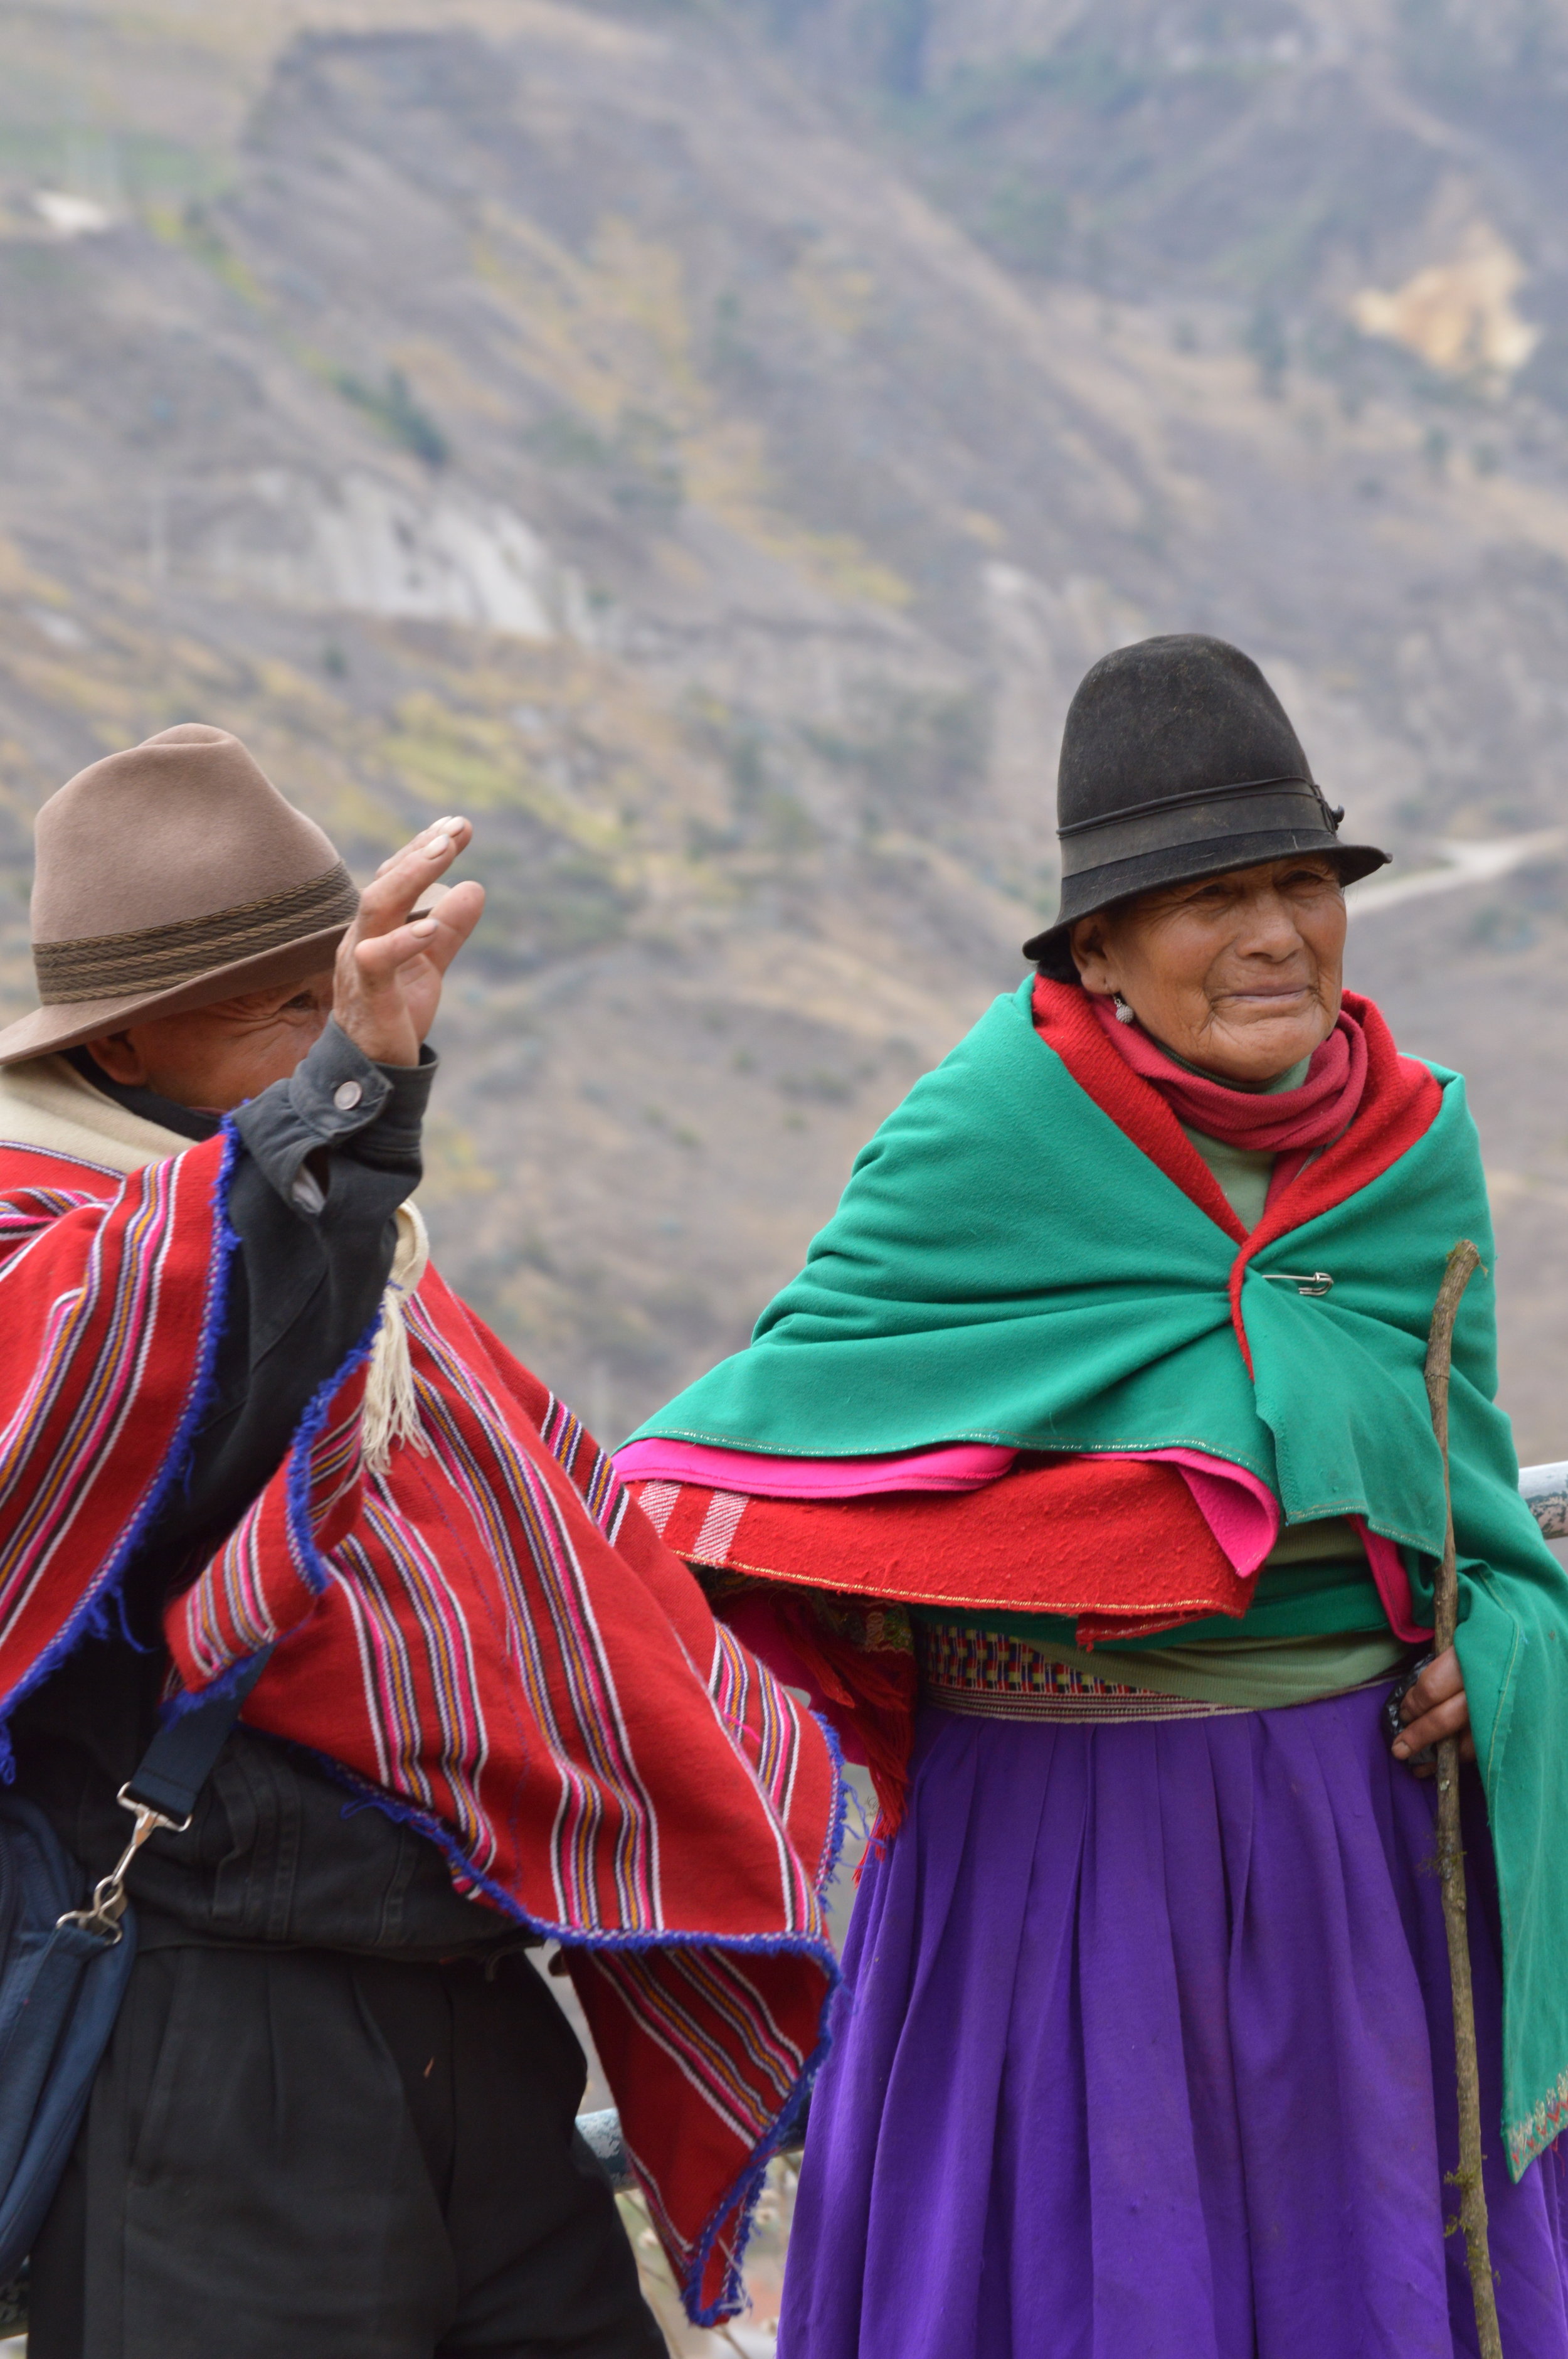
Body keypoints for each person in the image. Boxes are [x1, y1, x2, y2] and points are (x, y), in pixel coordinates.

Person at [615, 636, 1568, 2358]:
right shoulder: (986, 1135)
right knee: (1076, 2271)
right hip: (1049, 1842)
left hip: (1344, 1832)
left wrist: (1483, 1645)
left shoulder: (1412, 1140)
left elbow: (1471, 1503)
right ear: (1101, 950)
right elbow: (800, 1430)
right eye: (1210, 897)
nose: (1277, 932)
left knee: (1343, 2271)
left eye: (1303, 883)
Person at [0, 724, 840, 2358]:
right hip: (212, 2053)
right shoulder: (63, 1264)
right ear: (117, 1050)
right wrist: (343, 1116)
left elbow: (546, 1557)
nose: (333, 1039)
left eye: (335, 995)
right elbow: (194, 1405)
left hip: (470, 2026)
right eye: (283, 1015)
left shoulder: (365, 1257)